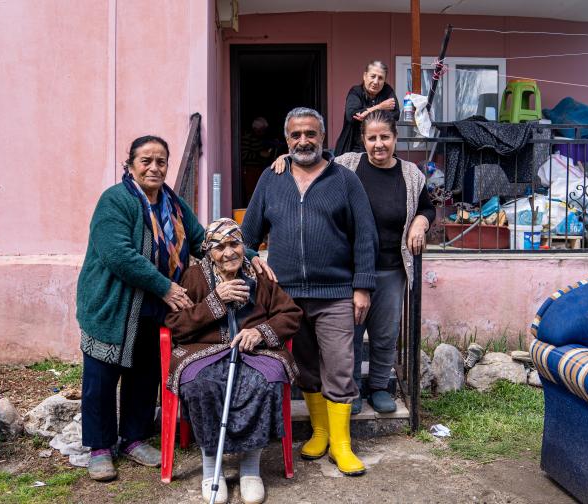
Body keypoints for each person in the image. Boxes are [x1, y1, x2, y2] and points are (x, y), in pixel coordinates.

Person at [76, 135, 275, 482]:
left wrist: (251, 256)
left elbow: (202, 240)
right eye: (146, 161)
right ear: (130, 165)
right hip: (113, 304)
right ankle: (99, 447)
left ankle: (134, 439)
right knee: (101, 377)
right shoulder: (115, 201)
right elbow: (118, 255)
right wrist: (166, 286)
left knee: (146, 371)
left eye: (161, 161)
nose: (154, 167)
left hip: (155, 304)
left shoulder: (174, 204)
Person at [241, 107, 378, 476]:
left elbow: (366, 235)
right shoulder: (272, 179)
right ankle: (319, 432)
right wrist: (252, 258)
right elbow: (248, 234)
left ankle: (342, 445)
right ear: (287, 141)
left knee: (340, 366)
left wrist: (362, 287)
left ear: (323, 137)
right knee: (304, 368)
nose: (304, 141)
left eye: (311, 134)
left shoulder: (345, 180)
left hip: (335, 292)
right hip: (286, 297)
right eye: (296, 135)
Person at [271, 110, 435, 414]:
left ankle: (379, 386)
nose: (378, 144)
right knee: (351, 334)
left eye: (385, 137)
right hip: (351, 269)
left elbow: (427, 207)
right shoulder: (347, 165)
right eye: (372, 138)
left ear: (395, 139)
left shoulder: (411, 175)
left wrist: (420, 222)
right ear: (363, 141)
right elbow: (311, 159)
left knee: (385, 331)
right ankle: (353, 390)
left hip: (389, 266)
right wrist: (285, 159)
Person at [165, 218, 302, 504]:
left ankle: (250, 469)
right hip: (204, 350)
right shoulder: (194, 277)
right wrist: (214, 302)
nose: (229, 253)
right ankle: (210, 467)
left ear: (244, 247)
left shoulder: (259, 276)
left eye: (235, 244)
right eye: (219, 247)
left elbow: (290, 314)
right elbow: (175, 324)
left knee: (264, 381)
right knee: (201, 385)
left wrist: (260, 332)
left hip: (255, 351)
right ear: (208, 252)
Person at [334, 60, 400, 156]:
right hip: (353, 148)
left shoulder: (387, 90)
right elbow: (352, 116)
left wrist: (366, 113)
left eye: (380, 78)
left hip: (380, 148)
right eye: (373, 76)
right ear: (365, 76)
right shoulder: (356, 91)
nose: (376, 81)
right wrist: (380, 107)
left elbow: (395, 115)